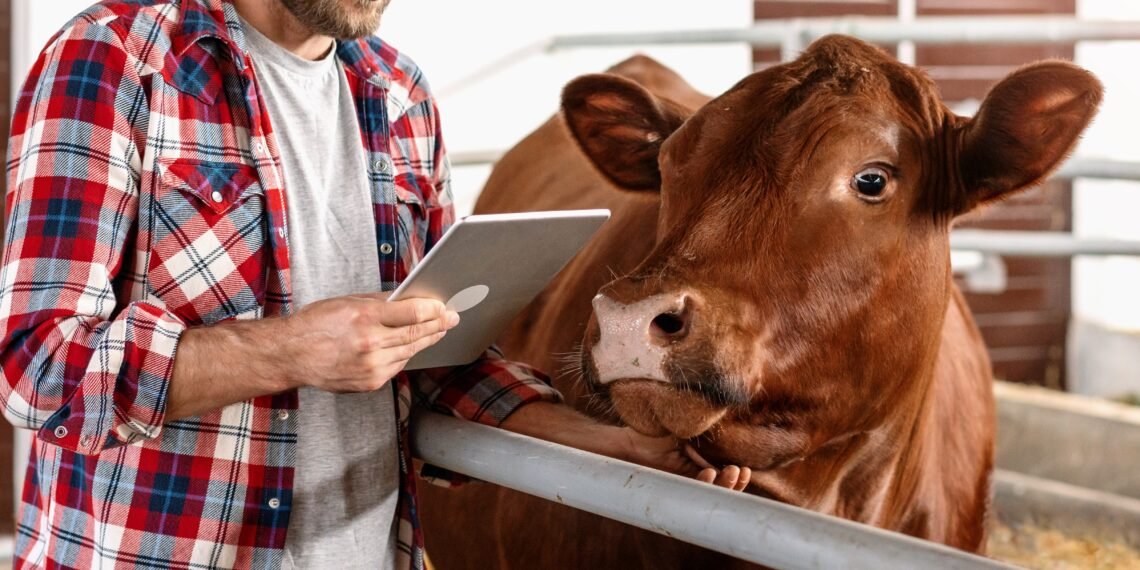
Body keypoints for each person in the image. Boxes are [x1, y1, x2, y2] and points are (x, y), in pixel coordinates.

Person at [0, 0, 750, 568]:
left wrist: (613, 446)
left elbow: (440, 362)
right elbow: (39, 369)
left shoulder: (396, 92)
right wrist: (290, 352)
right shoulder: (114, 60)